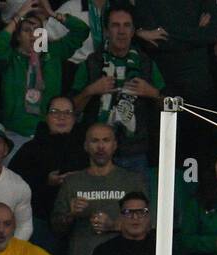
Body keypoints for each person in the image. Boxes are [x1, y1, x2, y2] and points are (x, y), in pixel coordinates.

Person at [70, 4, 164, 174]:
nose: (121, 31)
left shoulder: (146, 63)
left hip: (135, 152)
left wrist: (152, 93)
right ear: (106, 31)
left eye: (127, 25)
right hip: (97, 153)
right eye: (115, 25)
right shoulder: (92, 63)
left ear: (133, 30)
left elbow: (169, 105)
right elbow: (72, 111)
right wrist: (90, 90)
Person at [49, 121, 145, 255]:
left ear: (115, 145)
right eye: (95, 141)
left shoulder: (133, 181)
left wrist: (113, 225)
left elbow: (148, 226)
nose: (101, 146)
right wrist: (71, 214)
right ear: (86, 146)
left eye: (106, 141)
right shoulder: (72, 181)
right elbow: (56, 228)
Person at [0, 0, 90, 154]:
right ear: (17, 36)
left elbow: (82, 30)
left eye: (38, 30)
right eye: (26, 30)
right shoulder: (10, 58)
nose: (33, 35)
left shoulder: (54, 53)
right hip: (15, 135)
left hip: (48, 134)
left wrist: (52, 14)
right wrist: (19, 16)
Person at [8, 93, 86, 251]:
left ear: (74, 118)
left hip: (81, 219)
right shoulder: (30, 149)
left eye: (67, 113)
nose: (61, 117)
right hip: (40, 218)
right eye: (55, 112)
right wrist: (46, 182)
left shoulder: (86, 147)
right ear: (46, 116)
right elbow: (12, 187)